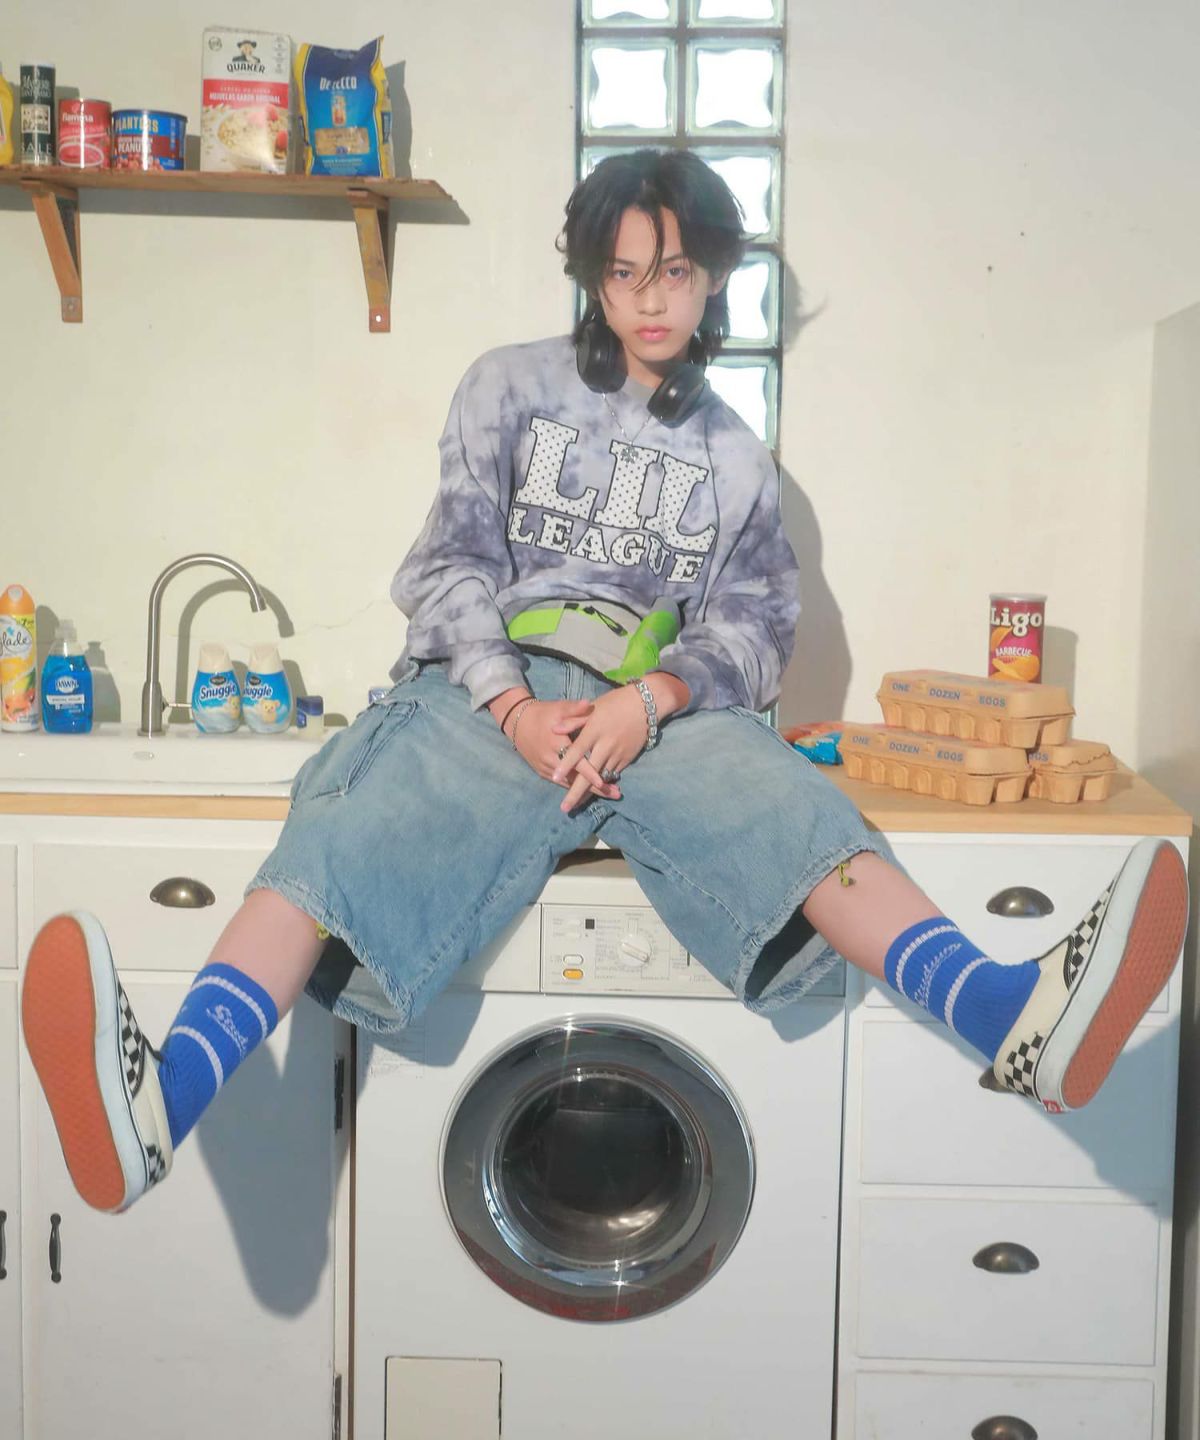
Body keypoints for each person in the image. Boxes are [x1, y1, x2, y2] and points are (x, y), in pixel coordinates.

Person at [21, 149, 1189, 1216]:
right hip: (492, 689)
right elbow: (449, 564)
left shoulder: (736, 454)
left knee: (796, 814)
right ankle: (165, 1102)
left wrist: (650, 703)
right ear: (592, 277)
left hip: (653, 708)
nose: (649, 300)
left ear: (713, 277)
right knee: (345, 833)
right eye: (624, 273)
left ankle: (1007, 1016)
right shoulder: (508, 385)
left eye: (674, 272)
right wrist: (512, 703)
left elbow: (755, 624)